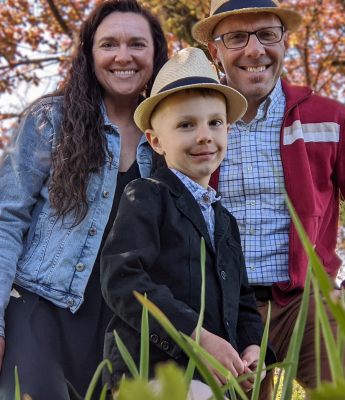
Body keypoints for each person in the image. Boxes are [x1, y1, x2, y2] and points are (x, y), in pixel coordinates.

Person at [192, 0, 345, 398]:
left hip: (309, 303)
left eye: (267, 34)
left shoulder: (329, 118)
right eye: (236, 37)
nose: (255, 50)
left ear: (285, 41)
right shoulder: (192, 122)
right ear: (215, 50)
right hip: (219, 309)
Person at [0, 1, 168, 399]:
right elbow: (3, 223)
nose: (123, 56)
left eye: (137, 44)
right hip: (37, 310)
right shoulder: (50, 120)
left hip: (123, 328)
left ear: (156, 54)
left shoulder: (171, 135)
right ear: (89, 54)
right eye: (109, 44)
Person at [100, 47, 276, 394]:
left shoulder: (225, 221)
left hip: (215, 383)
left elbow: (243, 301)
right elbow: (122, 278)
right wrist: (195, 337)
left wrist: (253, 347)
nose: (204, 135)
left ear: (227, 130)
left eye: (215, 123)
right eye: (186, 125)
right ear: (156, 141)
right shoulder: (146, 195)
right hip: (152, 375)